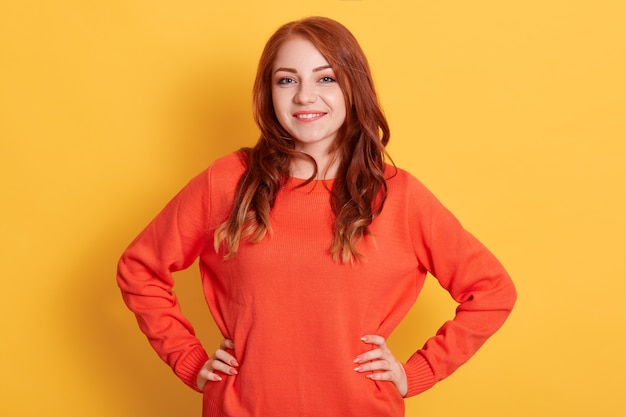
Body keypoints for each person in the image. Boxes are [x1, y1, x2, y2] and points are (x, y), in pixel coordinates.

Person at [117, 16, 516, 417]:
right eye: (287, 80)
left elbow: (492, 291)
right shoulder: (226, 182)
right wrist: (188, 359)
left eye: (326, 78)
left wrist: (418, 371)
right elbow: (140, 269)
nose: (305, 96)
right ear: (268, 93)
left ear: (352, 88)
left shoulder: (400, 197)